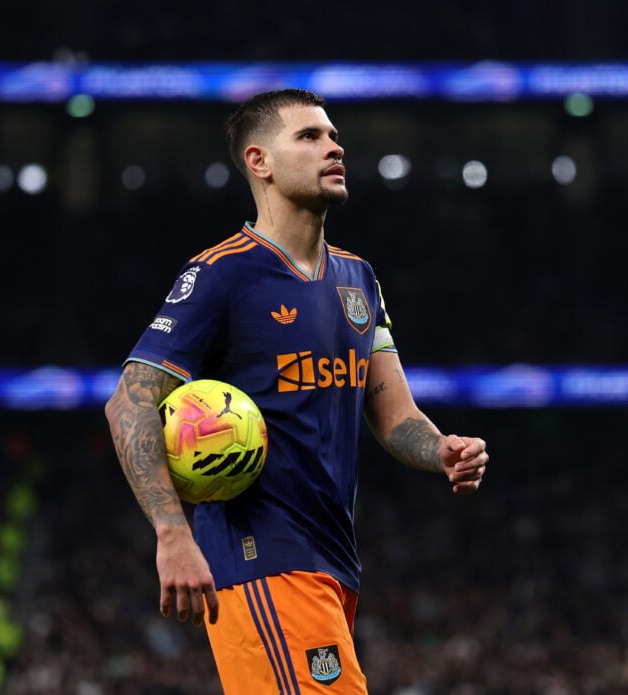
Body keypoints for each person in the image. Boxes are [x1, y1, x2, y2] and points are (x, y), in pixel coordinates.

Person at [104, 88, 489, 694]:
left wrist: (440, 448)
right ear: (260, 162)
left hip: (333, 556)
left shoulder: (357, 278)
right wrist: (173, 533)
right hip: (261, 556)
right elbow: (128, 400)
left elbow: (395, 415)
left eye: (334, 136)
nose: (334, 147)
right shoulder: (220, 274)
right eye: (309, 137)